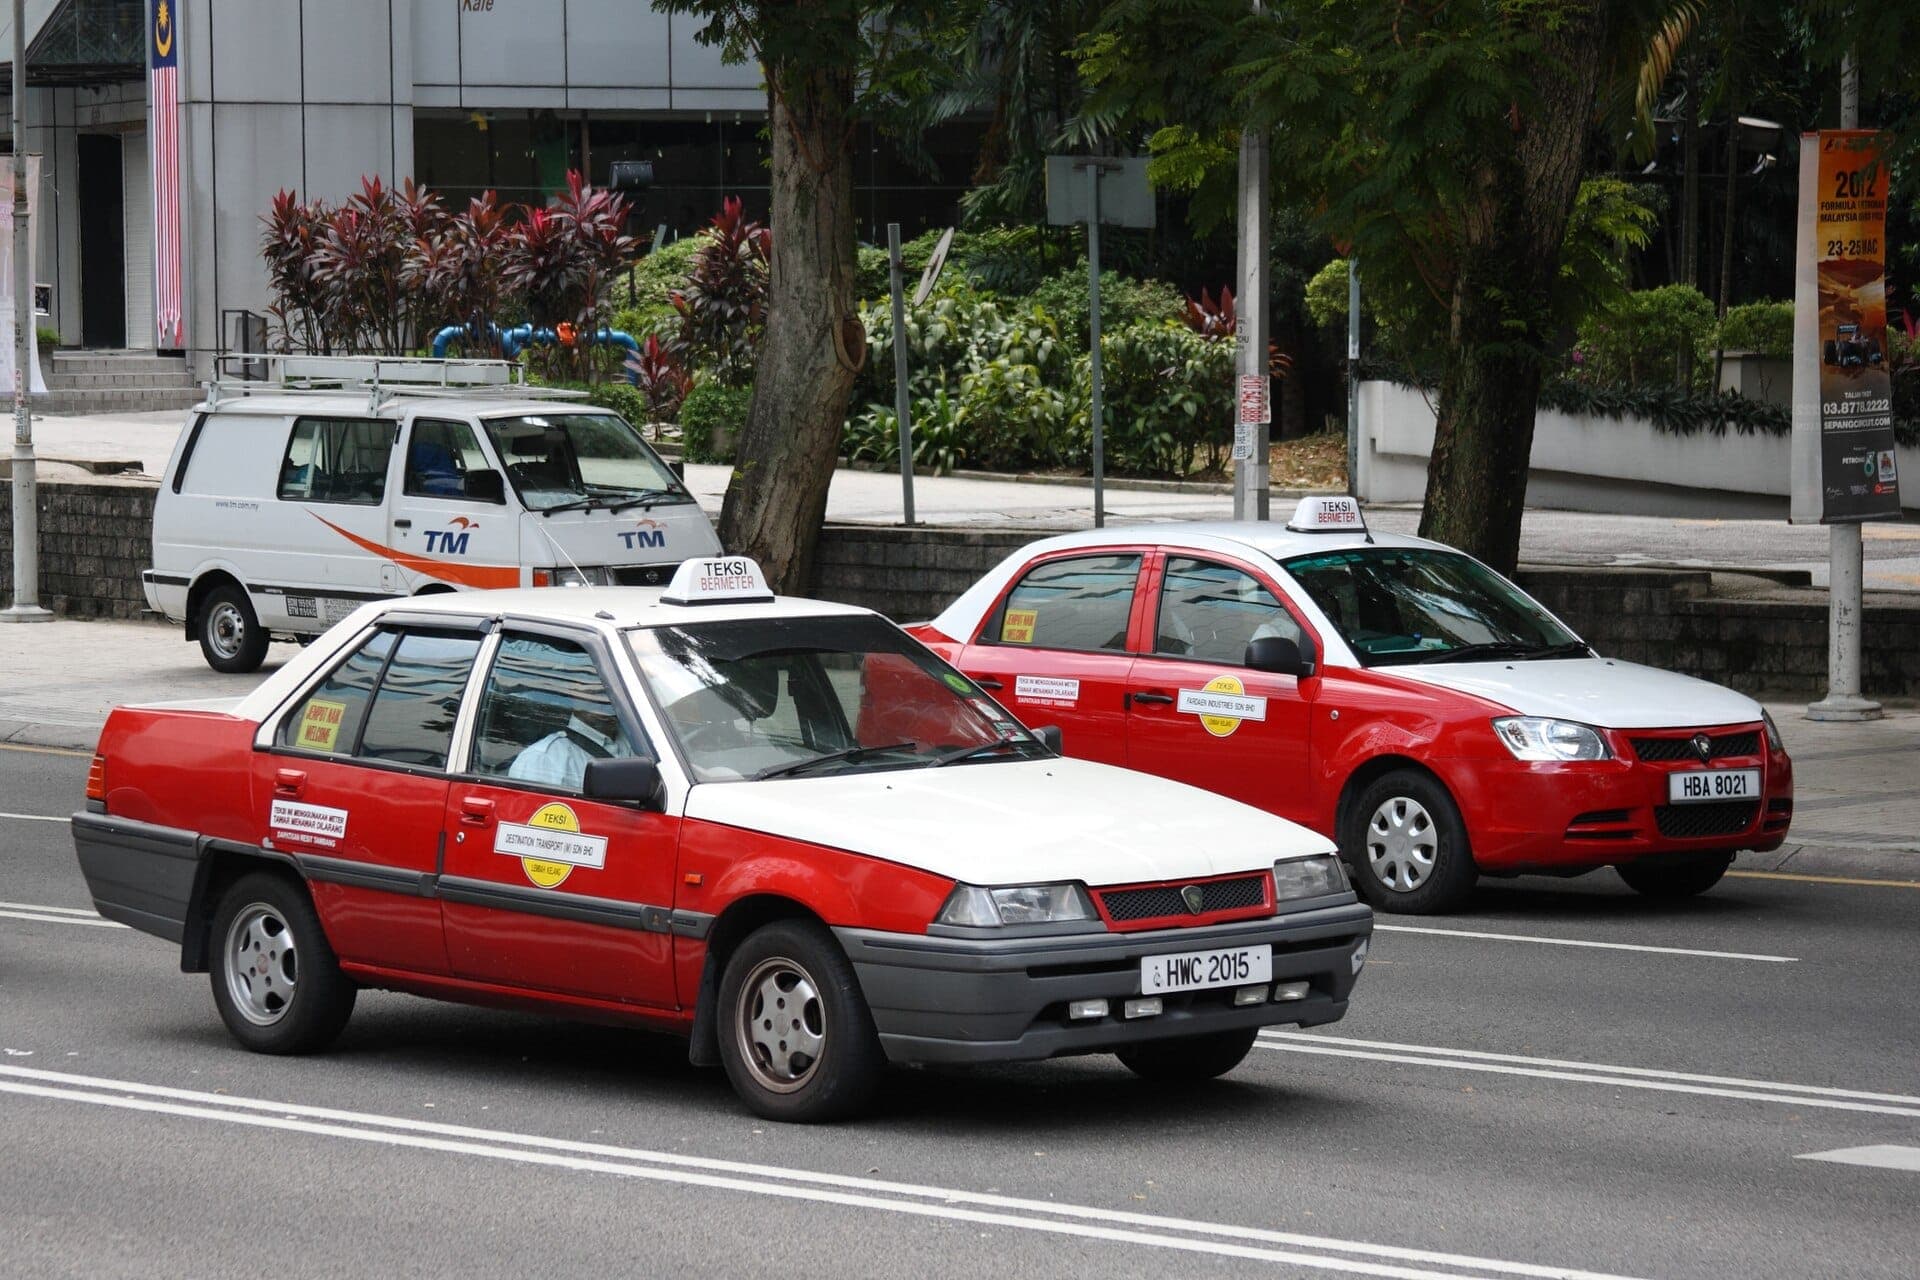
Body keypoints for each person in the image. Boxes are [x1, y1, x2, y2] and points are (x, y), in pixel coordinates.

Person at [507, 705, 633, 789]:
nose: (602, 692)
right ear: (575, 690)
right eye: (592, 684)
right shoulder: (542, 760)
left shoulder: (637, 736)